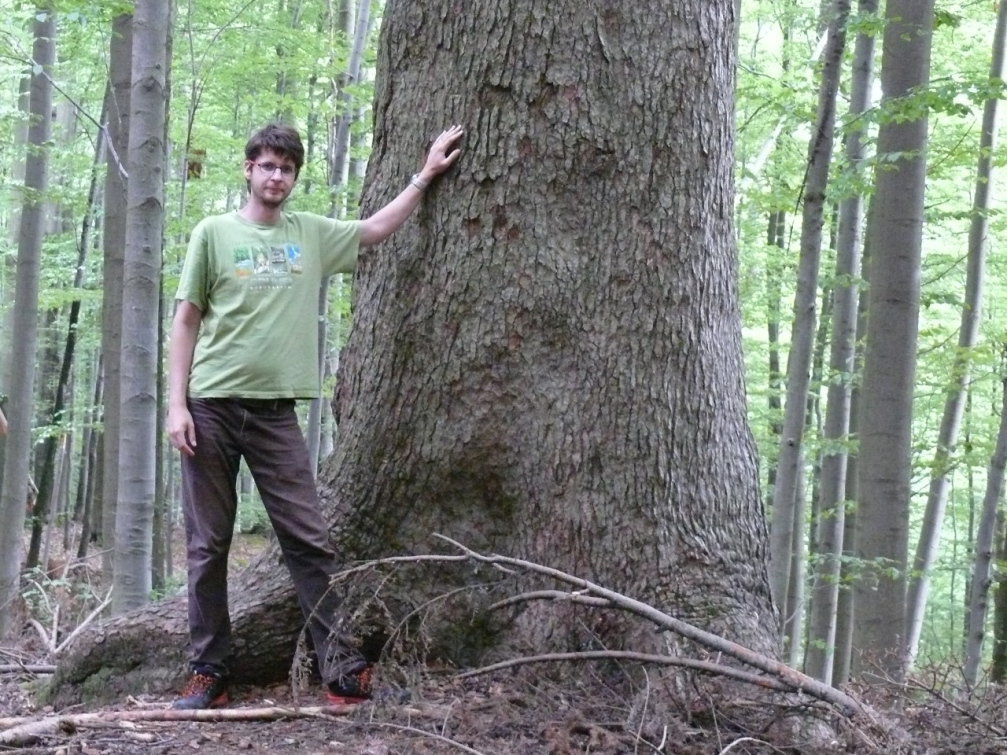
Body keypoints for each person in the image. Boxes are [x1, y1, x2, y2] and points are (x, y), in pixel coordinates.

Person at [167, 121, 464, 710]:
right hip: (211, 408)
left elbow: (376, 229)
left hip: (277, 414)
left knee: (309, 541)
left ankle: (342, 672)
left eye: (286, 167)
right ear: (248, 169)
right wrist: (176, 404)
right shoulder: (214, 233)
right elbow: (185, 320)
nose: (276, 175)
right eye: (267, 165)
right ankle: (209, 671)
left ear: (294, 177)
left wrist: (424, 175)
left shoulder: (309, 236)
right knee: (207, 547)